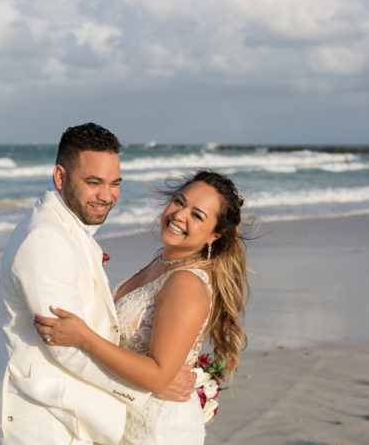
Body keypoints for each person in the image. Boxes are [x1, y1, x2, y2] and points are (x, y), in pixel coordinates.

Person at [0, 123, 195, 445]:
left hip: (68, 407)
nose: (107, 196)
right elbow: (65, 346)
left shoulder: (68, 227)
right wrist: (147, 386)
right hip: (44, 417)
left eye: (114, 183)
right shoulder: (45, 240)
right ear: (60, 177)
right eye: (94, 183)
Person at [34, 170, 251, 445]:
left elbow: (159, 375)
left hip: (155, 431)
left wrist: (84, 339)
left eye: (197, 216)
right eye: (179, 202)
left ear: (215, 235)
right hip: (125, 416)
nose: (179, 215)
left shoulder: (186, 283)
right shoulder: (163, 264)